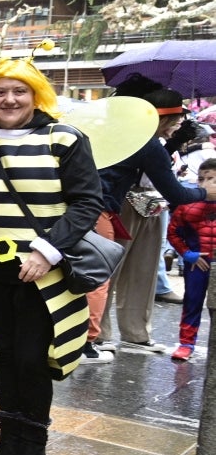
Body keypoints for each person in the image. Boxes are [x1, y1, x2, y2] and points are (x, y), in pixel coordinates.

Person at [0, 59, 102, 455]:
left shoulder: (65, 137)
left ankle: (34, 442)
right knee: (4, 357)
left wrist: (47, 251)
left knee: (31, 359)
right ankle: (8, 439)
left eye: (19, 91)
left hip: (43, 272)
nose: (9, 100)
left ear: (36, 94)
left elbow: (86, 203)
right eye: (0, 92)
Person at [90, 76, 213, 357]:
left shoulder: (150, 140)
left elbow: (147, 164)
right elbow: (164, 180)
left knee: (144, 271)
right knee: (106, 274)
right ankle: (97, 335)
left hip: (150, 205)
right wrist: (206, 194)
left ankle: (135, 333)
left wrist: (173, 143)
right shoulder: (130, 135)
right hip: (118, 206)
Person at [165, 157, 216, 360]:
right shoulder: (188, 205)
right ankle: (186, 343)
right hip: (197, 264)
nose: (205, 184)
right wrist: (187, 254)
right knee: (192, 302)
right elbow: (173, 233)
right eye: (201, 179)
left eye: (211, 178)